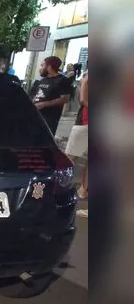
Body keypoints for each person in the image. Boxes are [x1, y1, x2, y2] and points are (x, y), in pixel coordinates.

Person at [29, 56, 74, 135]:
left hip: (49, 118)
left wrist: (44, 104)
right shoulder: (42, 80)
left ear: (49, 67)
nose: (40, 68)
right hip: (34, 116)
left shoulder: (62, 80)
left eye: (42, 65)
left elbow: (65, 99)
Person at [65, 71, 88, 216]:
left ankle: (57, 186)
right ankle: (83, 190)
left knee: (68, 158)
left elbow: (83, 100)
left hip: (85, 123)